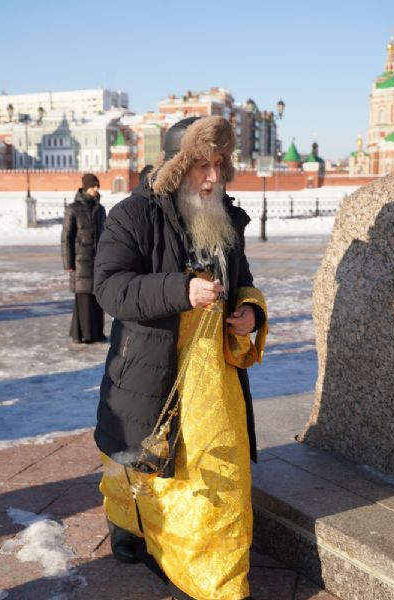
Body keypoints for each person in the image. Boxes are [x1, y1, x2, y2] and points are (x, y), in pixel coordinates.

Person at [94, 116, 267, 600]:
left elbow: (243, 279)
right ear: (175, 166)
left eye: (219, 165)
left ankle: (215, 573)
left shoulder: (225, 215)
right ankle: (131, 528)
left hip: (215, 377)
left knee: (217, 473)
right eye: (200, 166)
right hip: (149, 367)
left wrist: (249, 311)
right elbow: (109, 286)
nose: (213, 178)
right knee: (142, 463)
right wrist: (179, 289)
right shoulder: (133, 214)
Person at [61, 173, 106, 344]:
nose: (96, 189)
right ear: (86, 187)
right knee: (84, 298)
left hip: (98, 260)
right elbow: (66, 237)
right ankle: (84, 334)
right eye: (94, 186)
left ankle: (96, 332)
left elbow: (105, 235)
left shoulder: (100, 209)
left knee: (97, 297)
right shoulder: (73, 209)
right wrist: (68, 262)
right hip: (81, 260)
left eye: (97, 186)